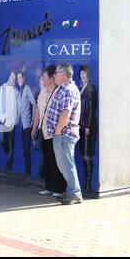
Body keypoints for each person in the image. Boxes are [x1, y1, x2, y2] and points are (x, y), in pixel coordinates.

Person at [46, 63, 82, 205]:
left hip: (64, 134)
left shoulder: (68, 90)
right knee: (64, 165)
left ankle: (75, 194)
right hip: (61, 134)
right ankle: (72, 191)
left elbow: (65, 113)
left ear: (64, 74)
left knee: (66, 164)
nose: (54, 75)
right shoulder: (63, 89)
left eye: (57, 72)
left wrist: (58, 131)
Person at [32, 65, 66, 197]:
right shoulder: (43, 92)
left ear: (52, 78)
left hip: (55, 132)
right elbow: (38, 111)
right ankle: (49, 187)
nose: (42, 79)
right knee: (47, 160)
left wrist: (58, 130)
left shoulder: (58, 92)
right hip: (43, 131)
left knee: (56, 161)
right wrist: (34, 127)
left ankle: (59, 189)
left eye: (44, 77)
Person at [78, 64, 98, 192]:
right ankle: (85, 182)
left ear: (88, 75)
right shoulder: (82, 87)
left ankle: (88, 185)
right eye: (81, 74)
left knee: (87, 155)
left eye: (84, 74)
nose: (82, 76)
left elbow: (91, 109)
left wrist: (88, 126)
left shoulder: (91, 88)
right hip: (81, 125)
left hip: (87, 126)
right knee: (83, 154)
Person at [0, 70, 19, 171]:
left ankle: (9, 165)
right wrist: (2, 117)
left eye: (14, 79)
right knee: (2, 139)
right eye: (12, 78)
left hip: (12, 121)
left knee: (11, 144)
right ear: (9, 77)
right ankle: (9, 155)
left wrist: (16, 120)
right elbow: (0, 102)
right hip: (3, 120)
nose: (13, 81)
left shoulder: (16, 92)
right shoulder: (3, 87)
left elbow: (18, 107)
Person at [16, 71, 36, 177]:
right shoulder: (20, 91)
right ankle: (27, 173)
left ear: (24, 78)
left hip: (28, 124)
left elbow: (34, 103)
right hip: (22, 124)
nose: (19, 80)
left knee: (27, 149)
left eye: (20, 78)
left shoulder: (27, 88)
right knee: (24, 149)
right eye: (18, 78)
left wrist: (33, 120)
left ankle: (28, 173)